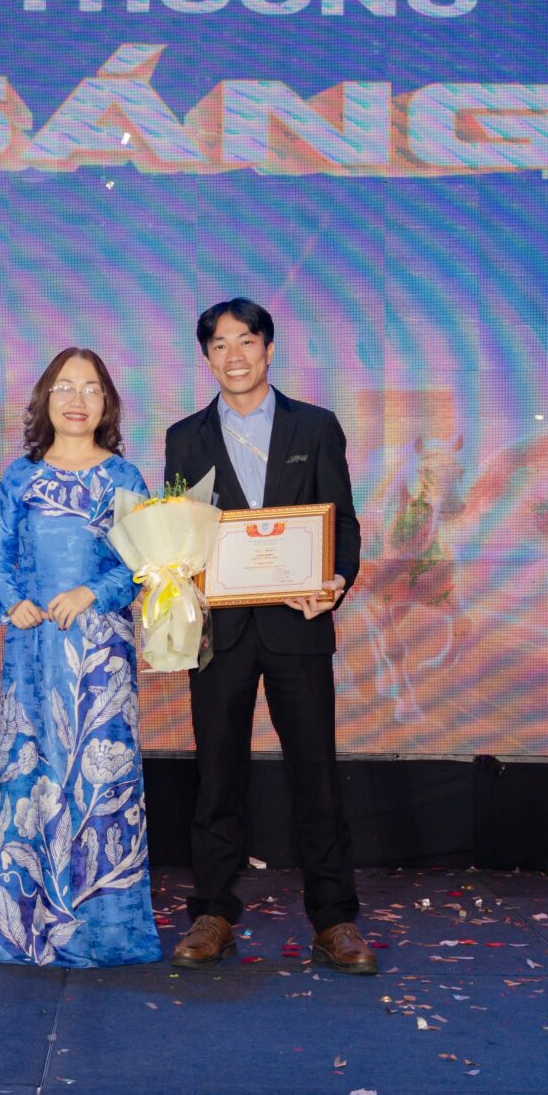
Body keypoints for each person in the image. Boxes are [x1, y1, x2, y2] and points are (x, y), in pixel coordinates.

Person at [163, 297, 374, 976]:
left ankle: (335, 919)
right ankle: (213, 914)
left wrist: (335, 579)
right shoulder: (184, 436)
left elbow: (342, 520)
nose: (235, 355)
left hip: (297, 625)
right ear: (207, 358)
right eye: (220, 345)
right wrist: (175, 572)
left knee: (316, 774)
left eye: (246, 341)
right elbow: (177, 531)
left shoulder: (315, 425)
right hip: (218, 630)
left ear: (269, 348)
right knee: (216, 775)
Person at [0, 347, 159, 967]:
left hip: (100, 652)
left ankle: (102, 928)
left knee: (99, 779)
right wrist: (11, 601)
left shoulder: (125, 478)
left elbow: (142, 562)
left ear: (108, 403)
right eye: (65, 387)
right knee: (31, 772)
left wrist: (92, 593)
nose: (78, 400)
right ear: (45, 399)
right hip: (32, 646)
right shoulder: (19, 476)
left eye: (92, 388)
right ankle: (20, 925)